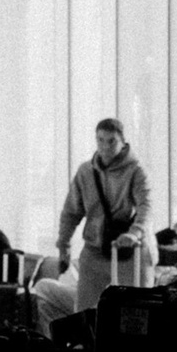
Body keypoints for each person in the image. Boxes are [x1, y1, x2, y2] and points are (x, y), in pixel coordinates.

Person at [55, 118, 154, 311]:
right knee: (84, 312)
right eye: (100, 140)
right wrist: (64, 244)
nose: (105, 146)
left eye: (111, 141)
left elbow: (146, 206)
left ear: (123, 142)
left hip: (130, 251)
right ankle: (87, 341)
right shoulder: (86, 172)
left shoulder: (136, 170)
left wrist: (135, 233)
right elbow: (71, 212)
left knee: (137, 311)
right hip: (96, 248)